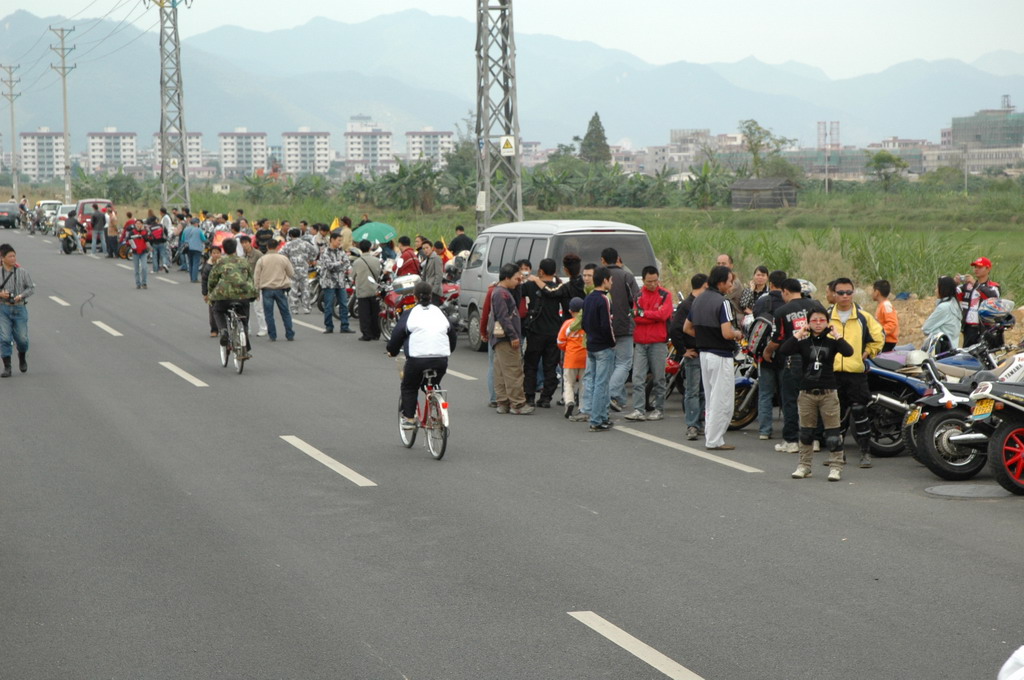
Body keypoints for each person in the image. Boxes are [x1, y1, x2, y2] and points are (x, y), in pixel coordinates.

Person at [779, 305, 855, 481]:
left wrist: (836, 334)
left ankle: (836, 467)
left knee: (833, 434)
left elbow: (848, 352)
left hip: (828, 392)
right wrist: (799, 333)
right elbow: (784, 350)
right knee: (806, 433)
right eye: (814, 320)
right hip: (806, 392)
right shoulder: (804, 343)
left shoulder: (832, 342)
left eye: (822, 320)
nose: (818, 323)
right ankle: (804, 466)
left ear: (828, 322)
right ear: (808, 323)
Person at [684, 265, 744, 450]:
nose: (731, 285)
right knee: (722, 399)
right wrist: (737, 334)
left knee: (711, 397)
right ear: (720, 283)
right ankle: (715, 439)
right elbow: (726, 333)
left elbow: (687, 328)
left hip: (704, 354)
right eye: (729, 281)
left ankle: (712, 436)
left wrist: (704, 337)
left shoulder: (698, 299)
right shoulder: (722, 302)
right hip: (720, 355)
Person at [387, 281, 458, 429]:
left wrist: (392, 351)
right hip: (441, 360)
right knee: (431, 384)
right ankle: (436, 402)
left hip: (417, 360)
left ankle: (409, 419)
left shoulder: (409, 314)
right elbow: (452, 335)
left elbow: (397, 335)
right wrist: (447, 351)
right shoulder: (439, 313)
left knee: (409, 386)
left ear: (414, 297)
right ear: (431, 296)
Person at [829, 278, 884, 469]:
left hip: (856, 373)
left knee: (860, 413)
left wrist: (868, 353)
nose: (845, 296)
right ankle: (838, 454)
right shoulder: (826, 316)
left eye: (848, 292)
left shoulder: (863, 317)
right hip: (833, 374)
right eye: (841, 292)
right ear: (833, 294)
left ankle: (864, 453)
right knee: (836, 416)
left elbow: (879, 337)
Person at [763, 278, 818, 453]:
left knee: (791, 401)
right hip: (817, 358)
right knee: (815, 399)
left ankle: (791, 441)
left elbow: (777, 339)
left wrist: (767, 352)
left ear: (785, 292)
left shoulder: (781, 311)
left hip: (793, 359)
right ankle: (815, 440)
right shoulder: (817, 306)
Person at [625, 265, 674, 422]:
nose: (652, 284)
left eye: (655, 281)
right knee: (638, 377)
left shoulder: (665, 295)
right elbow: (635, 316)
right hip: (640, 342)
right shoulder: (638, 295)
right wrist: (648, 314)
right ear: (643, 280)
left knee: (659, 378)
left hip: (658, 342)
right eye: (649, 281)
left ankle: (659, 409)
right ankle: (639, 409)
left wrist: (644, 313)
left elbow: (663, 315)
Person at [490, 263, 533, 415]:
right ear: (507, 277)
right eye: (516, 279)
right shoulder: (502, 294)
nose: (518, 281)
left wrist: (519, 284)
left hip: (500, 338)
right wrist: (514, 336)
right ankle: (518, 404)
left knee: (501, 371)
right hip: (507, 338)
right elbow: (503, 317)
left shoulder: (501, 291)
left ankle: (503, 403)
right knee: (514, 370)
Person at [521, 258, 565, 408]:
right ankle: (546, 397)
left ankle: (530, 397)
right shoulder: (560, 287)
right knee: (550, 366)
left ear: (540, 271)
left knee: (531, 365)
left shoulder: (531, 285)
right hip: (554, 332)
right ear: (554, 272)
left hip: (535, 332)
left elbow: (517, 293)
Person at [601, 247, 640, 412]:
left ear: (602, 260)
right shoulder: (626, 276)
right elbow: (636, 299)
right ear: (618, 259)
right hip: (623, 326)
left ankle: (620, 399)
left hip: (603, 327)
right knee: (624, 363)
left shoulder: (598, 275)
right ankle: (609, 395)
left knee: (609, 364)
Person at [669, 273, 707, 440]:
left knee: (703, 391)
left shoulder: (702, 304)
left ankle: (700, 422)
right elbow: (675, 329)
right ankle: (692, 424)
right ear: (703, 286)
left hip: (705, 352)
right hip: (693, 354)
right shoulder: (687, 305)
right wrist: (683, 350)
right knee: (692, 391)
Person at [751, 269, 788, 440]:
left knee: (765, 393)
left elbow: (755, 319)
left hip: (764, 353)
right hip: (785, 352)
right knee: (786, 393)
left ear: (770, 283)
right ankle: (789, 428)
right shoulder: (789, 303)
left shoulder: (761, 302)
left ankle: (764, 430)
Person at [582, 266, 617, 432]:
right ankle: (596, 420)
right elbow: (607, 325)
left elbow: (584, 323)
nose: (611, 282)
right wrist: (612, 342)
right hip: (603, 347)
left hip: (591, 345)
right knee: (601, 384)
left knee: (596, 382)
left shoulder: (588, 298)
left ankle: (602, 417)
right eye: (610, 279)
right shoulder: (604, 299)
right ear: (604, 280)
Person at [208, 238, 257, 352]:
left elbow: (212, 280)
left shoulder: (220, 262)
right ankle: (246, 345)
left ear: (224, 249)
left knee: (217, 310)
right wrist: (253, 293)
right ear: (236, 248)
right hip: (244, 295)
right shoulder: (244, 261)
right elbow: (251, 278)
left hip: (224, 296)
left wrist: (210, 294)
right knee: (244, 319)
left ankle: (224, 330)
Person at [0, 244, 35, 377]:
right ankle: (7, 366)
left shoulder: (22, 272)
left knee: (22, 338)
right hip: (3, 308)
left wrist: (21, 296)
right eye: (10, 256)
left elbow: (31, 288)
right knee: (4, 337)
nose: (13, 258)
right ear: (2, 258)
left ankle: (22, 356)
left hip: (19, 308)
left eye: (14, 256)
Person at [253, 238, 295, 342]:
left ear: (267, 247)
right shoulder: (283, 258)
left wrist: (256, 290)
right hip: (280, 289)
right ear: (277, 247)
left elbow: (256, 276)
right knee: (285, 312)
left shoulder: (262, 260)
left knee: (269, 313)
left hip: (267, 289)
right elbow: (291, 273)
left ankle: (273, 335)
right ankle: (289, 334)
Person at [957, 256, 1001, 347]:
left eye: (980, 267)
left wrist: (975, 284)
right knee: (968, 356)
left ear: (988, 269)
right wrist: (954, 282)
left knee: (985, 355)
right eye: (975, 267)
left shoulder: (993, 286)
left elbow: (992, 296)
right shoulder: (967, 286)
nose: (976, 270)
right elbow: (949, 294)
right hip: (969, 328)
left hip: (985, 327)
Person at [557, 297, 587, 420]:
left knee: (569, 383)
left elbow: (560, 341)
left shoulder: (567, 324)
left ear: (570, 311)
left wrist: (566, 348)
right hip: (585, 358)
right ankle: (582, 407)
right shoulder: (586, 323)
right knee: (583, 384)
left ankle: (569, 401)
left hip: (570, 358)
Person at [318, 230, 353, 334]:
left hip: (340, 282)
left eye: (341, 241)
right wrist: (340, 264)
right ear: (332, 240)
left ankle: (345, 326)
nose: (340, 243)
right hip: (329, 282)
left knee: (344, 304)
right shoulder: (325, 252)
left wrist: (339, 264)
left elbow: (347, 263)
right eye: (338, 240)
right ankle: (329, 326)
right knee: (328, 305)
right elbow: (329, 266)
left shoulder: (341, 251)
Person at [281, 228, 319, 314]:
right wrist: (311, 259)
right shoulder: (305, 244)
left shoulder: (288, 245)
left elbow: (281, 254)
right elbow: (315, 251)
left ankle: (294, 308)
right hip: (304, 269)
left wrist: (286, 261)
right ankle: (307, 308)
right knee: (305, 288)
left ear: (290, 235)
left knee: (293, 288)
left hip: (292, 269)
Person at [352, 239, 382, 341]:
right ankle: (376, 333)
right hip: (374, 290)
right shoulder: (376, 260)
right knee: (375, 313)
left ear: (360, 248)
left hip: (362, 290)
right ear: (370, 248)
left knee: (364, 314)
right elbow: (379, 274)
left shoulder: (357, 262)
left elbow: (352, 276)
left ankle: (367, 334)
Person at [922, 276, 962, 350]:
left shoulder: (944, 307)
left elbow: (926, 328)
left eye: (937, 288)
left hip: (941, 350)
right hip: (952, 348)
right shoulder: (956, 305)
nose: (935, 290)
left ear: (943, 289)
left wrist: (936, 334)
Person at [201, 245, 223, 336]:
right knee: (213, 311)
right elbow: (204, 280)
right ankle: (214, 330)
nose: (216, 255)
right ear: (211, 254)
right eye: (214, 253)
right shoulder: (207, 266)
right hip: (212, 292)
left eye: (218, 253)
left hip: (223, 291)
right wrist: (205, 294)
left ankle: (224, 328)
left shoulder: (224, 264)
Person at [872, 279, 899, 352]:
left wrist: (880, 332)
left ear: (877, 292)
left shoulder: (886, 305)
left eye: (873, 291)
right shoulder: (881, 305)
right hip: (883, 340)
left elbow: (892, 323)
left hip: (887, 341)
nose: (871, 293)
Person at [125, 218, 151, 289]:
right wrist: (130, 243)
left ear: (142, 225)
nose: (138, 225)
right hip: (135, 252)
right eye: (137, 224)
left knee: (144, 268)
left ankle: (144, 283)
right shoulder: (132, 232)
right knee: (136, 269)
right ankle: (138, 283)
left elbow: (147, 240)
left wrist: (150, 248)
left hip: (143, 252)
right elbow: (127, 240)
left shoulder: (144, 232)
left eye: (139, 224)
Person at [181, 218, 207, 283]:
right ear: (196, 223)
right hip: (197, 248)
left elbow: (182, 239)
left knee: (190, 263)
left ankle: (191, 278)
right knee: (196, 263)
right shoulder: (199, 230)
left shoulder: (185, 229)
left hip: (188, 248)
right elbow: (203, 239)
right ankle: (194, 279)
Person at [420, 240, 444, 306]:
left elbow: (439, 275)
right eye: (423, 249)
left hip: (434, 292)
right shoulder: (427, 259)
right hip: (427, 291)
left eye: (427, 248)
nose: (425, 250)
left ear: (432, 248)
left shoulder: (436, 258)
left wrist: (434, 291)